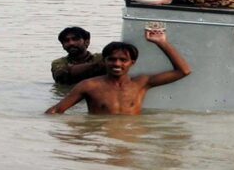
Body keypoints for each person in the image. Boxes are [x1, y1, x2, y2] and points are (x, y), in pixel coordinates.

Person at [45, 29, 192, 115]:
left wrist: (161, 42)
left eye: (123, 60)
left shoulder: (141, 83)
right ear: (104, 61)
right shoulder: (89, 86)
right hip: (102, 139)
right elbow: (56, 110)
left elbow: (183, 71)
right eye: (112, 59)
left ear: (132, 63)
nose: (117, 63)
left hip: (131, 136)